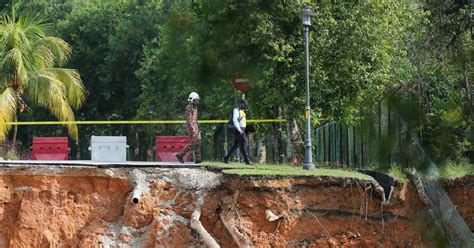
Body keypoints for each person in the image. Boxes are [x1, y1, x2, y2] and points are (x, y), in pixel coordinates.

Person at [224, 99, 255, 165]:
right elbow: (235, 120)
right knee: (244, 144)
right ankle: (247, 161)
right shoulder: (236, 110)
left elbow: (242, 122)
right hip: (239, 130)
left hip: (242, 129)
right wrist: (239, 130)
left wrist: (246, 129)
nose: (245, 106)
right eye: (244, 104)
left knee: (236, 145)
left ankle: (226, 158)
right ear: (241, 104)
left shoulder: (243, 111)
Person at [176, 92, 202, 164]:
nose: (197, 101)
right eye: (196, 100)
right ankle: (180, 155)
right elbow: (189, 119)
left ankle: (198, 158)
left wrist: (198, 126)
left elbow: (195, 118)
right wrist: (192, 128)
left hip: (196, 126)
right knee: (193, 143)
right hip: (191, 127)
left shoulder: (195, 107)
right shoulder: (189, 108)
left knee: (198, 142)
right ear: (192, 100)